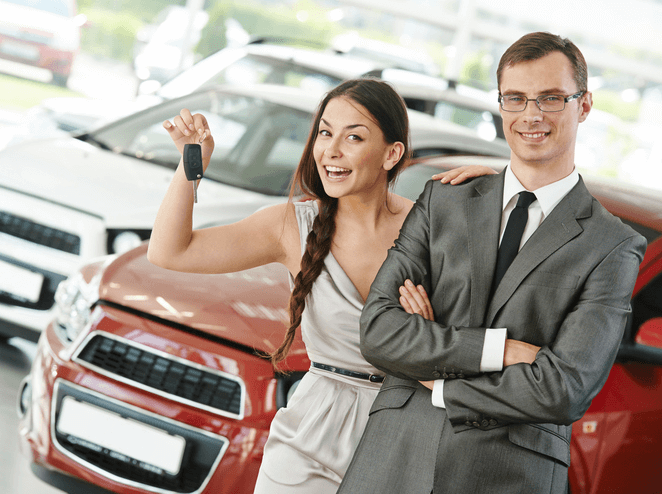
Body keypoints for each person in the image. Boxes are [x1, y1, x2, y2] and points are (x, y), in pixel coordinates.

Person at [147, 78, 495, 493]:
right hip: (310, 436)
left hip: (406, 434)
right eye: (325, 132)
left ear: (392, 153)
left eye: (353, 137)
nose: (331, 149)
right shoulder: (290, 227)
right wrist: (192, 160)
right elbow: (171, 251)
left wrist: (503, 191)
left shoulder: (437, 228)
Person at [336, 32, 647, 494]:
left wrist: (434, 377)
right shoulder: (444, 201)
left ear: (583, 106)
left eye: (551, 98)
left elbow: (562, 389)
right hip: (393, 458)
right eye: (516, 99)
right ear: (500, 105)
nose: (531, 115)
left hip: (507, 476)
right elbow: (379, 331)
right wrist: (499, 351)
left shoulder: (612, 245)